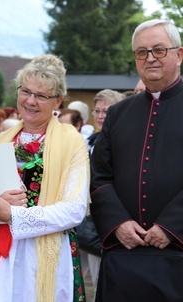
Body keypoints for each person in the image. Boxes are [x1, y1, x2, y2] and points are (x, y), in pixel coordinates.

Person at [0, 54, 89, 302]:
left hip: (47, 254)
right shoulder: (2, 140)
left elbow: (75, 209)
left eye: (41, 96)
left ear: (58, 100)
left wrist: (13, 215)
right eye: (25, 91)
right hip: (2, 251)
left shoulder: (71, 141)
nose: (30, 101)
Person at [91, 19, 183, 301]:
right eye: (141, 52)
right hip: (124, 253)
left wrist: (170, 226)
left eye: (159, 50)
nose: (150, 58)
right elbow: (100, 177)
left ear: (179, 54)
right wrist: (118, 223)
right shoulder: (118, 113)